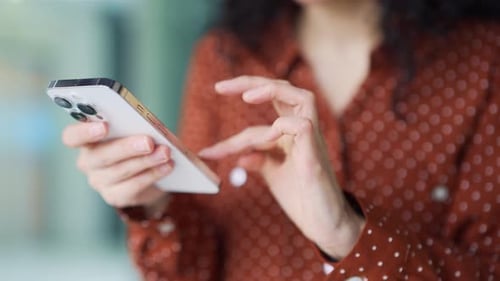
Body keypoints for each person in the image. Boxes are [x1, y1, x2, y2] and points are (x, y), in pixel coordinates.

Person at [61, 0, 499, 280]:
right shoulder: (222, 57)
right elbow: (191, 270)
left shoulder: (485, 62)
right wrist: (153, 203)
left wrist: (346, 233)